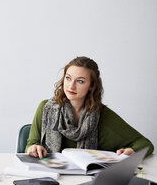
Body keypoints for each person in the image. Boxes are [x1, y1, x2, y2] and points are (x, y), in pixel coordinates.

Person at [26, 56, 154, 158]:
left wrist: (131, 151)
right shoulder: (46, 108)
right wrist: (33, 148)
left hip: (86, 181)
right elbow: (30, 145)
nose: (71, 86)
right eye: (68, 78)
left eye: (80, 81)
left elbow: (145, 144)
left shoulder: (103, 115)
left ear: (92, 86)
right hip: (49, 177)